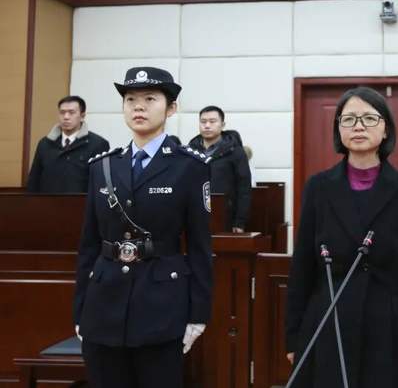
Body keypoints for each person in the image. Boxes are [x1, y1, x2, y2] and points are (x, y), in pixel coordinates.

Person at [72, 67, 213, 388]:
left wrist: (198, 314)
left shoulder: (190, 166)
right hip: (103, 304)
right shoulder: (103, 166)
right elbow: (88, 244)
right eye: (131, 99)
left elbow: (200, 247)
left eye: (150, 99)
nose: (139, 106)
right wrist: (80, 309)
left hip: (161, 304)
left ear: (171, 108)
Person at [285, 86, 398, 388]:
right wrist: (293, 336)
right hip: (329, 320)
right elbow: (302, 268)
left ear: (386, 129)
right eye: (349, 119)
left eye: (369, 118)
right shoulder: (318, 187)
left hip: (388, 326)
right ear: (338, 129)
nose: (359, 126)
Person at [26, 95, 109, 193]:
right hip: (48, 201)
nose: (66, 117)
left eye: (71, 112)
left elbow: (102, 183)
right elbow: (34, 180)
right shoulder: (45, 144)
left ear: (82, 116)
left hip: (81, 201)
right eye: (62, 112)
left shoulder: (98, 144)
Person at [189, 106, 252, 232]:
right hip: (195, 215)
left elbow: (244, 189)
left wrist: (239, 222)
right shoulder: (190, 150)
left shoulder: (235, 152)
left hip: (225, 215)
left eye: (212, 121)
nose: (207, 125)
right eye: (203, 122)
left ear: (222, 125)